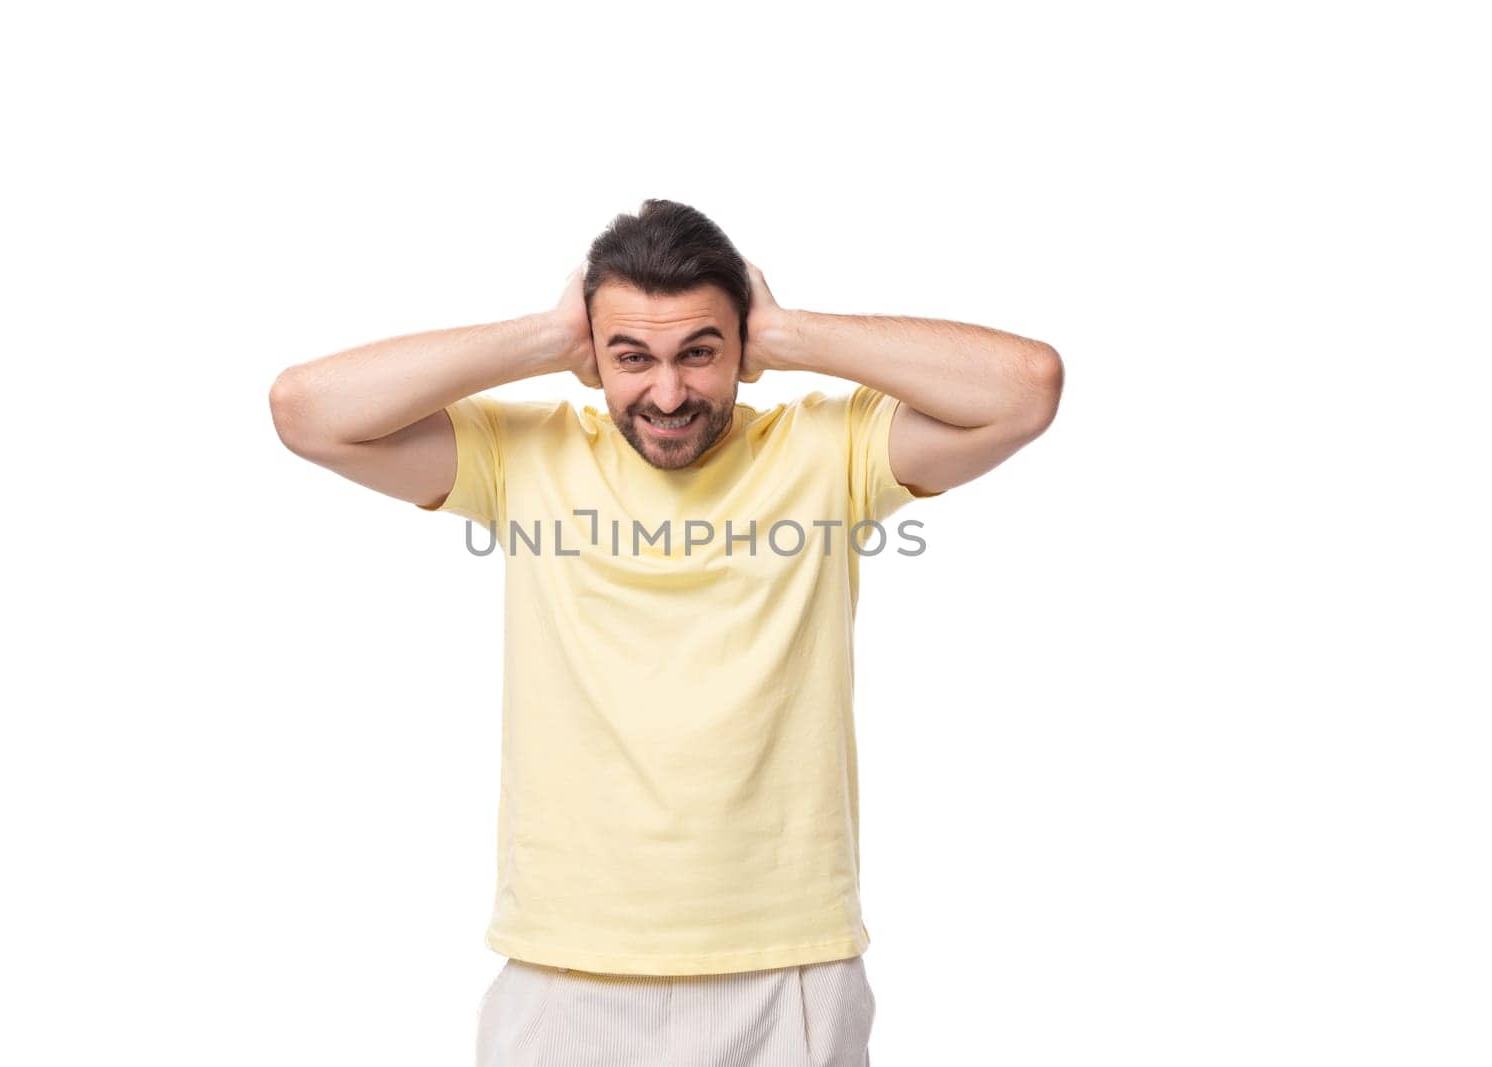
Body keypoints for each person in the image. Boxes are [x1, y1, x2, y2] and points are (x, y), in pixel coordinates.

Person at [268, 199, 1063, 1065]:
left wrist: (792, 331)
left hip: (786, 962)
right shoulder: (524, 455)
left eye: (700, 351)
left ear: (742, 349)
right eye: (632, 357)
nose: (669, 392)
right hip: (565, 965)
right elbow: (308, 413)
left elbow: (1025, 391)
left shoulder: (828, 451)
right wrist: (544, 336)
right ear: (592, 356)